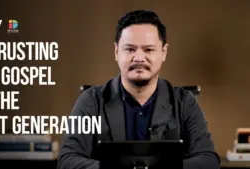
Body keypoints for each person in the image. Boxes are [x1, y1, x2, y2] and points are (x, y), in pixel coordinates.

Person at [57, 10, 220, 169]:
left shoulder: (184, 102)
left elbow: (208, 160)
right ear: (116, 52)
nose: (139, 58)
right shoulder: (91, 100)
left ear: (163, 52)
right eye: (130, 49)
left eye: (148, 49)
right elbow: (68, 160)